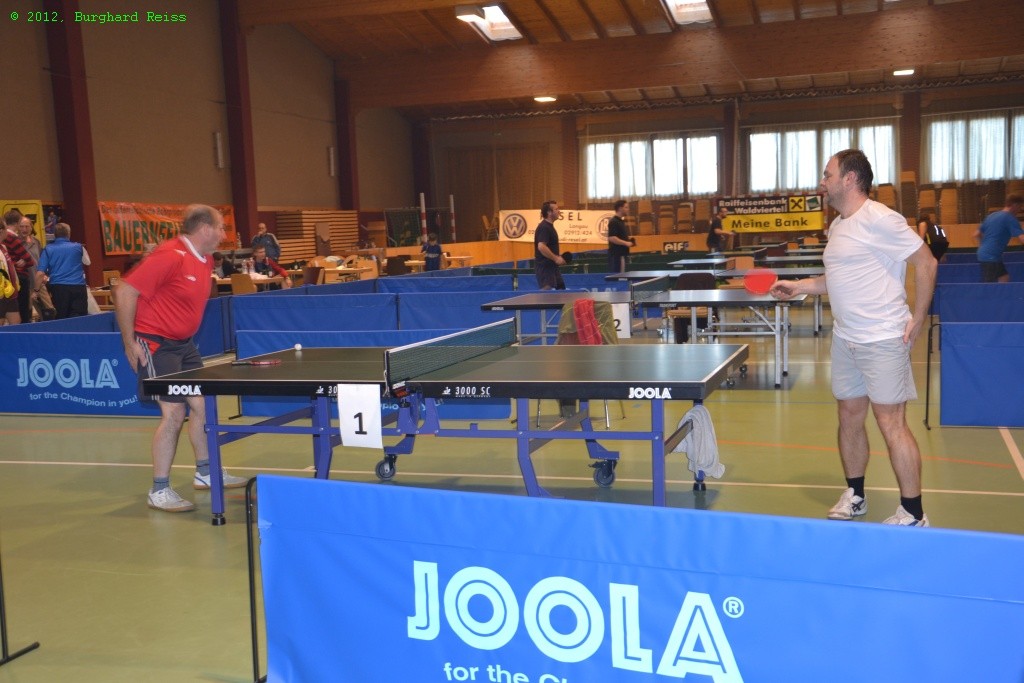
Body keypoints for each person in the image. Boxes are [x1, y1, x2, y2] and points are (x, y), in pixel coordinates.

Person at [769, 149, 937, 527]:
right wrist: (799, 286)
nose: (822, 181)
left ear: (849, 178)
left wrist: (919, 317)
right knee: (848, 416)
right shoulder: (838, 226)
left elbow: (926, 262)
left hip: (882, 338)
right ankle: (856, 494)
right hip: (846, 338)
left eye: (827, 174)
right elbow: (836, 279)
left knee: (891, 423)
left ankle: (914, 513)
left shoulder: (881, 219)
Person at [114, 205, 247, 513]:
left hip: (185, 346)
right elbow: (124, 291)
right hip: (156, 344)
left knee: (203, 406)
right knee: (174, 413)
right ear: (204, 228)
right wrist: (129, 342)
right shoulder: (170, 255)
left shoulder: (206, 258)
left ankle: (206, 472)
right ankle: (159, 490)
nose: (224, 234)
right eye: (221, 228)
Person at [35, 223, 89, 319]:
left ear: (54, 234)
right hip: (78, 287)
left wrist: (36, 290)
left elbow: (40, 273)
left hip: (59, 288)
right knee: (80, 318)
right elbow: (87, 262)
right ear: (69, 233)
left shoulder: (48, 249)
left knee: (62, 317)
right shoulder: (79, 247)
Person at [975, 194, 1024, 282]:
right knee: (989, 285)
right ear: (1015, 205)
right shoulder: (1010, 219)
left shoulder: (992, 215)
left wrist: (982, 246)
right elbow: (1022, 239)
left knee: (1004, 277)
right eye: (1020, 206)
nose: (1020, 210)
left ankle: (1003, 292)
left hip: (987, 255)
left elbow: (976, 234)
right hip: (991, 257)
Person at [3, 210, 36, 323]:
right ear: (17, 223)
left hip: (10, 277)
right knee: (23, 309)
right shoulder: (12, 237)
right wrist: (24, 260)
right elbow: (30, 260)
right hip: (20, 276)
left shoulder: (5, 239)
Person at [534, 200, 565, 290]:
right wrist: (556, 258)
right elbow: (541, 246)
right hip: (545, 267)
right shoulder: (544, 227)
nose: (559, 211)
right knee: (547, 293)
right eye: (556, 209)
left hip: (552, 267)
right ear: (549, 212)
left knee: (561, 289)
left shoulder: (549, 226)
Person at [16, 215, 42, 319]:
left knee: (49, 311)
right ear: (17, 227)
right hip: (23, 284)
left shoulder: (36, 242)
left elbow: (41, 260)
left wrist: (44, 274)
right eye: (22, 226)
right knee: (26, 314)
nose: (24, 229)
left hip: (38, 282)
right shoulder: (15, 243)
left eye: (27, 226)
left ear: (31, 228)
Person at [606, 200, 634, 273]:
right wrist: (626, 243)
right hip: (616, 255)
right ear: (620, 208)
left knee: (621, 275)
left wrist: (628, 240)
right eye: (626, 207)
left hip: (622, 254)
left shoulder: (620, 221)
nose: (628, 209)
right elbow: (611, 238)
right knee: (618, 276)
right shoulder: (614, 221)